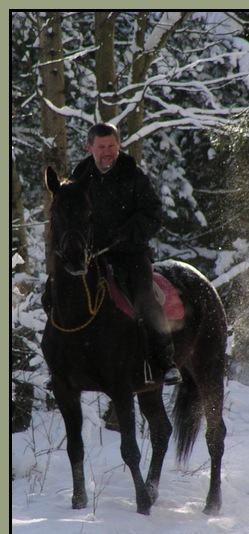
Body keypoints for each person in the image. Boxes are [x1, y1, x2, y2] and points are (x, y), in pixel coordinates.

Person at [72, 122, 182, 385]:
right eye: (101, 147)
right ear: (90, 148)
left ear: (119, 144)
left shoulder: (134, 175)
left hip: (131, 254)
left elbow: (154, 214)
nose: (107, 151)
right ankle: (68, 364)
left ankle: (166, 362)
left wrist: (126, 232)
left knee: (145, 299)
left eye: (112, 145)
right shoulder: (80, 174)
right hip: (93, 255)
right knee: (63, 294)